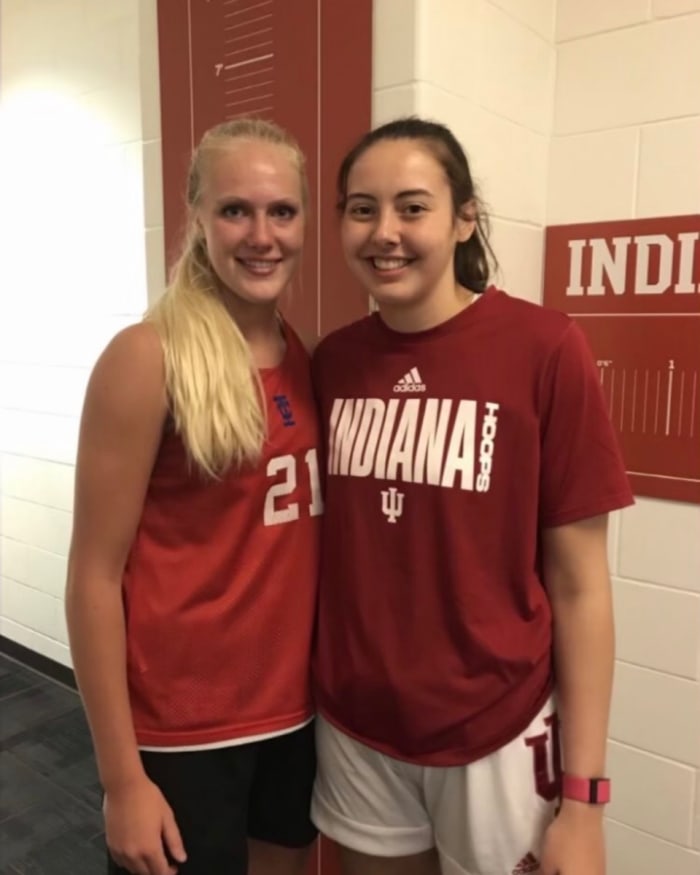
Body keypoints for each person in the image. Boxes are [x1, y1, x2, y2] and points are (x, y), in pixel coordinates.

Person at [310, 117, 633, 875]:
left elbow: (582, 587)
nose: (385, 231)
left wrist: (584, 802)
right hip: (358, 723)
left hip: (497, 726)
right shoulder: (332, 361)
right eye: (362, 208)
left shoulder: (546, 348)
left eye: (412, 206)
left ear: (464, 219)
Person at [65, 118, 322, 875]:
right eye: (235, 210)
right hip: (181, 735)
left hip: (292, 717)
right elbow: (91, 577)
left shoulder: (300, 351)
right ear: (197, 215)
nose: (261, 234)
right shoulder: (146, 358)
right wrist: (121, 779)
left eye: (282, 211)